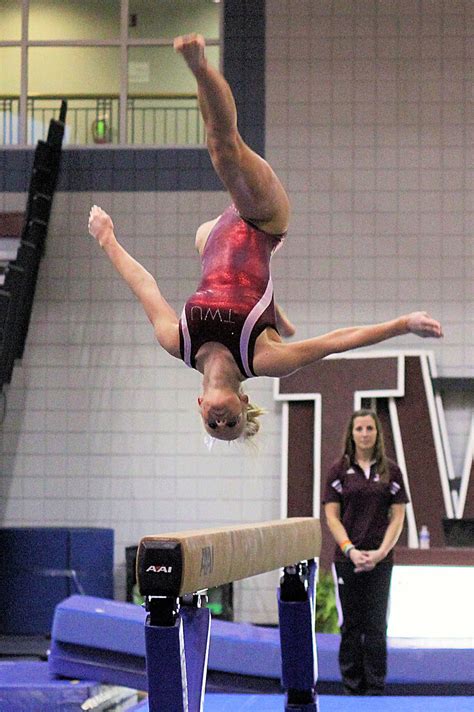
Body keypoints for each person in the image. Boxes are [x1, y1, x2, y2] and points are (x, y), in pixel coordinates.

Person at [87, 33, 443, 444]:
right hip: (262, 221)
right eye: (231, 424)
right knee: (224, 150)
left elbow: (144, 285)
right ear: (243, 400)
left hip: (214, 237)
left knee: (205, 231)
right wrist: (403, 324)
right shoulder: (264, 359)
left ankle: (276, 308)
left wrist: (108, 239)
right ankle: (201, 67)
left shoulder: (177, 341)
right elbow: (335, 343)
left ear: (199, 406)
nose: (221, 420)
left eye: (213, 424)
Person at [322, 409, 409, 695]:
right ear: (351, 433)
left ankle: (375, 687)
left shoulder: (390, 472)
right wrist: (349, 550)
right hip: (347, 559)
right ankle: (351, 687)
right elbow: (332, 516)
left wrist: (382, 552)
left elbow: (397, 517)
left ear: (377, 433)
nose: (364, 434)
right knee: (351, 623)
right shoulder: (339, 471)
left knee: (376, 624)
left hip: (380, 559)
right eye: (359, 429)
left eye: (369, 428)